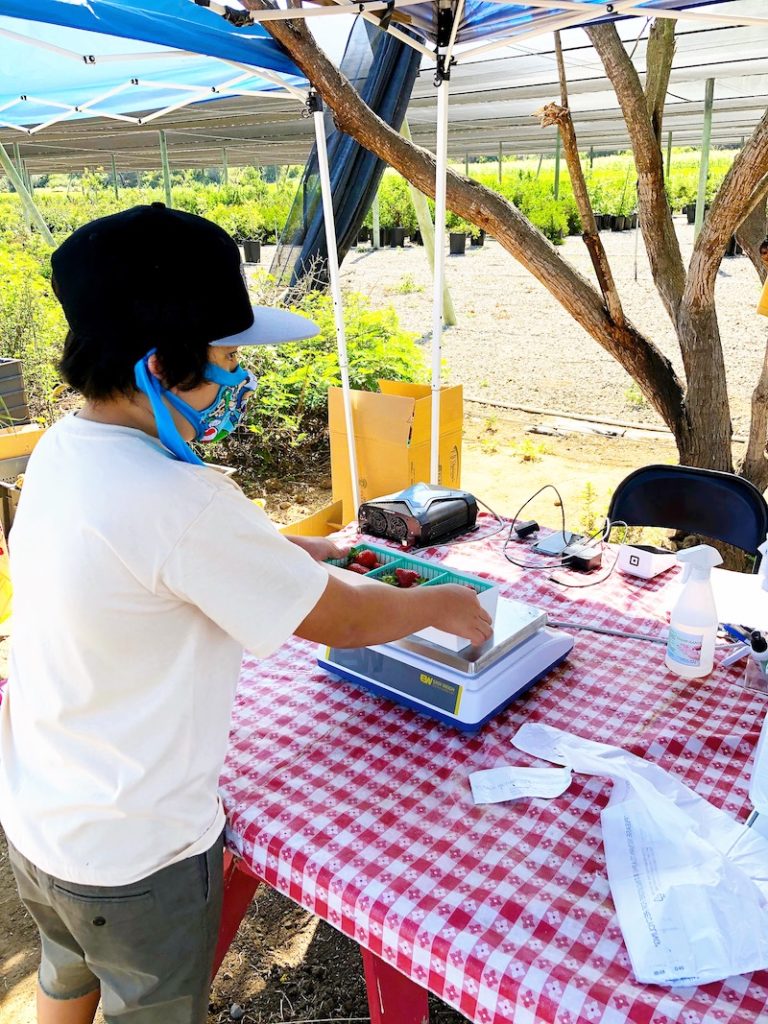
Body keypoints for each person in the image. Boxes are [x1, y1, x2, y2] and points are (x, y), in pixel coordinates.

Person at [0, 204, 491, 1024]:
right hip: (138, 856)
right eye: (227, 358)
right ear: (160, 369)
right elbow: (342, 622)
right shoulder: (182, 498)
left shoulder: (63, 450)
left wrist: (303, 552)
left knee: (68, 975)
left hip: (42, 820)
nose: (236, 379)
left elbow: (162, 565)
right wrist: (444, 601)